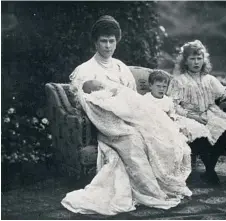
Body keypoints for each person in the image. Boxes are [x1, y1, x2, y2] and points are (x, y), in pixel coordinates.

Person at [61, 15, 192, 216]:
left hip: (130, 118)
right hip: (110, 126)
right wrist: (116, 114)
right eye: (103, 41)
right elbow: (91, 106)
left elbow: (133, 98)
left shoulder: (121, 67)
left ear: (117, 42)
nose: (107, 46)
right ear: (95, 42)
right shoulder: (85, 70)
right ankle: (151, 192)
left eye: (111, 41)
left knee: (157, 135)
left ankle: (165, 184)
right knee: (134, 140)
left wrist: (132, 115)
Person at [167, 40, 226, 185]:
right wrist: (192, 116)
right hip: (186, 114)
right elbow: (173, 105)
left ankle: (209, 169)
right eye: (192, 59)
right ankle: (210, 172)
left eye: (199, 58)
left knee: (225, 130)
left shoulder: (209, 79)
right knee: (200, 133)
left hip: (208, 112)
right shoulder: (179, 81)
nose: (196, 62)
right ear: (185, 61)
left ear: (204, 60)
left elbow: (221, 94)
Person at [143, 70, 212, 142]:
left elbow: (172, 112)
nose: (161, 89)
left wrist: (172, 118)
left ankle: (199, 145)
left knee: (197, 128)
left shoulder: (167, 100)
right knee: (176, 135)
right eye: (158, 86)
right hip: (156, 123)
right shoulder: (146, 99)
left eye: (164, 86)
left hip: (171, 121)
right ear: (150, 86)